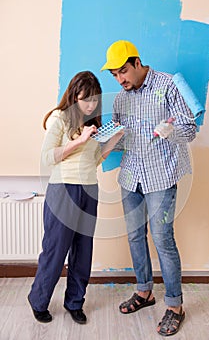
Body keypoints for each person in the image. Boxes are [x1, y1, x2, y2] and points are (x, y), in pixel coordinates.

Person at [101, 40, 197, 336]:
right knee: (134, 236)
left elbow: (190, 129)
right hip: (131, 177)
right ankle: (144, 292)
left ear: (137, 62)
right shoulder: (121, 98)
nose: (120, 80)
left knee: (162, 239)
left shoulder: (168, 86)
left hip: (161, 177)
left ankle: (174, 306)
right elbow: (120, 136)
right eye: (115, 75)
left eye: (123, 72)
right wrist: (100, 142)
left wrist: (170, 130)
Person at [28, 71, 123, 324]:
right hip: (63, 189)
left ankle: (75, 302)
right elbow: (48, 157)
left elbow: (93, 161)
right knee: (55, 249)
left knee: (83, 250)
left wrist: (112, 141)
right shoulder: (60, 118)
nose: (90, 105)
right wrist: (79, 140)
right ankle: (38, 301)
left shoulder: (94, 122)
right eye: (85, 100)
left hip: (89, 189)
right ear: (74, 96)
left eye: (94, 101)